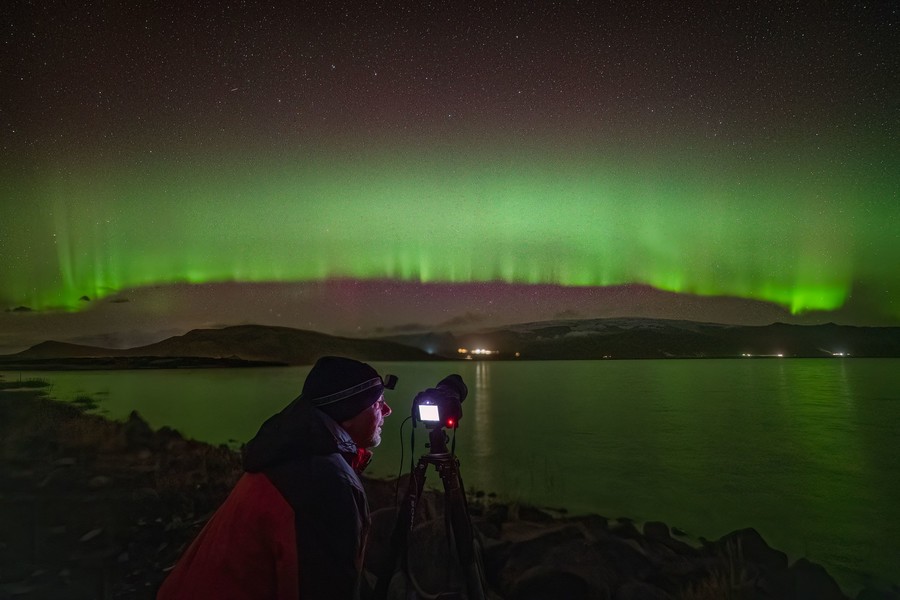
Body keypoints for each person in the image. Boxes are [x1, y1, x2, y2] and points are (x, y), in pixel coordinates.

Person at [157, 356, 395, 600]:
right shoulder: (324, 484)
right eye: (378, 403)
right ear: (348, 412)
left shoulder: (289, 452)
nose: (388, 410)